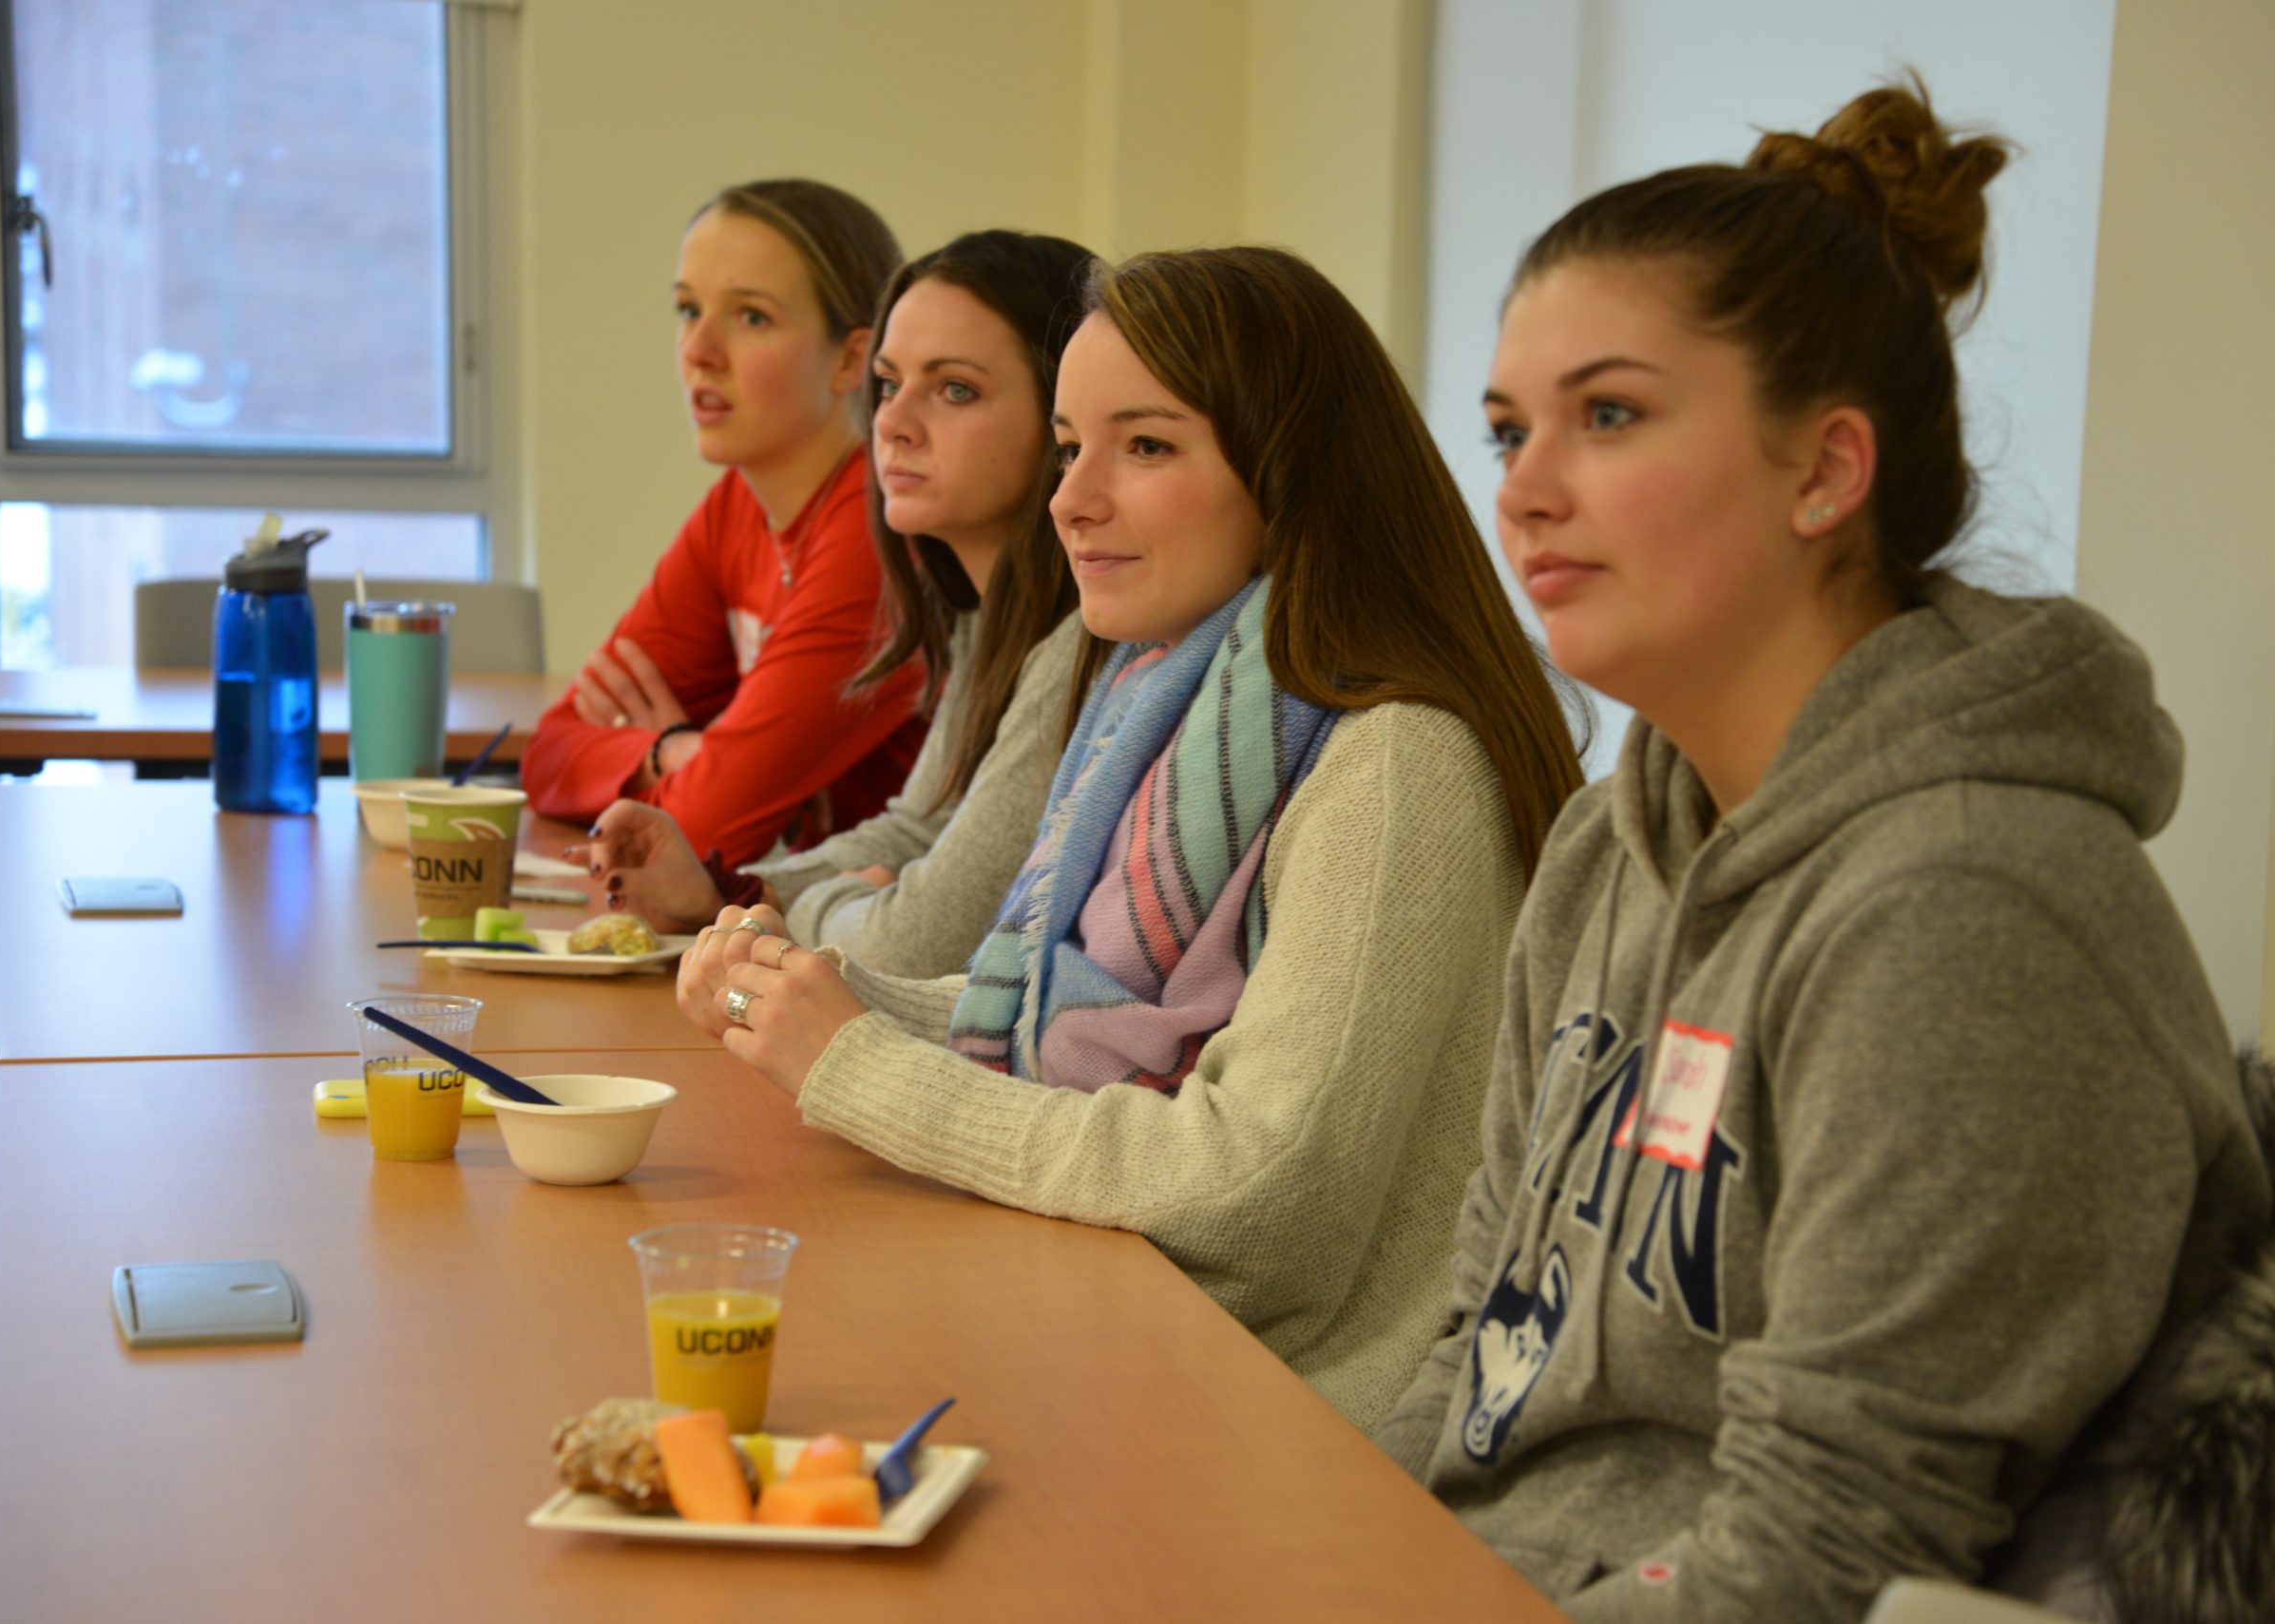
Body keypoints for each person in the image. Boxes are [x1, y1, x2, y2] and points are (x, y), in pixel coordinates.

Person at [1369, 83, 2271, 1621]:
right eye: (1510, 428)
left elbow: (1833, 1552)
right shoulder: (1610, 842)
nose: (1521, 488)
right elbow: (1478, 1348)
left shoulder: (1971, 902)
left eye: (1610, 414)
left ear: (1825, 472)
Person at [678, 246, 1585, 1434]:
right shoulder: (1176, 696)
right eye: (1068, 448)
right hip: (1135, 1338)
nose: (1070, 499)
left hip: (1285, 1423)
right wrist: (818, 994)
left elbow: (1254, 1197)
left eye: (1144, 446)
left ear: (1290, 474)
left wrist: (856, 1061)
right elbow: (1053, 1025)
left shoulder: (1394, 761)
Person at [569, 231, 1098, 977]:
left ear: (1065, 419)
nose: (893, 421)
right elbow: (917, 831)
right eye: (888, 384)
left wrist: (796, 907)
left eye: (954, 390)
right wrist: (731, 889)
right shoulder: (988, 618)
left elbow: (910, 945)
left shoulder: (1080, 646)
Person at [519, 179, 922, 869]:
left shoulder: (879, 535)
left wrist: (705, 772)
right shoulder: (736, 507)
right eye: (687, 309)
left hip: (880, 950)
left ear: (853, 359)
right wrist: (673, 749)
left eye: (751, 317)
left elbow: (704, 829)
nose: (699, 349)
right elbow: (550, 754)